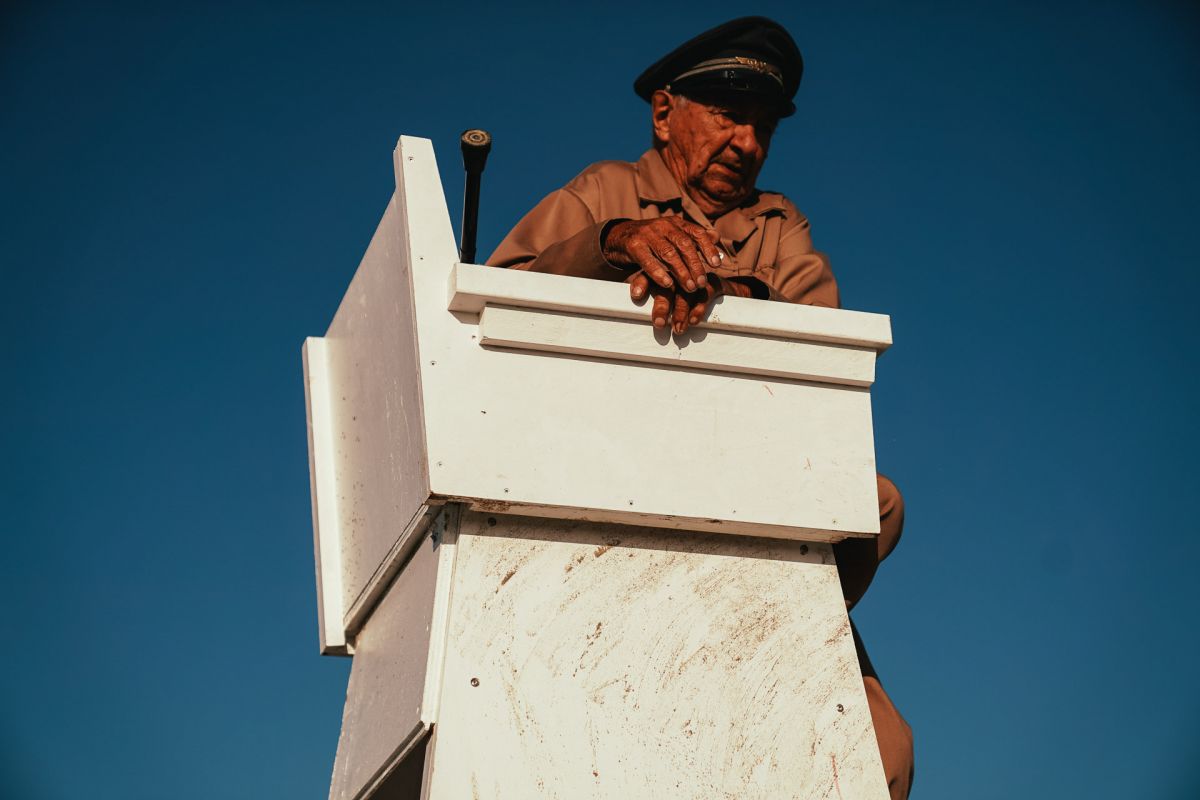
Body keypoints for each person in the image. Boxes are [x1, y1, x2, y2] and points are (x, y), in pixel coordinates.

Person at [487, 16, 913, 799]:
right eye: (727, 114)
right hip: (599, 486)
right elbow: (493, 299)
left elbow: (820, 352)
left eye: (763, 126)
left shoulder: (779, 228)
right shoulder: (603, 191)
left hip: (747, 501)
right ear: (664, 113)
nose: (747, 143)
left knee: (880, 750)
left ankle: (747, 625)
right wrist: (617, 243)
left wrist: (727, 293)